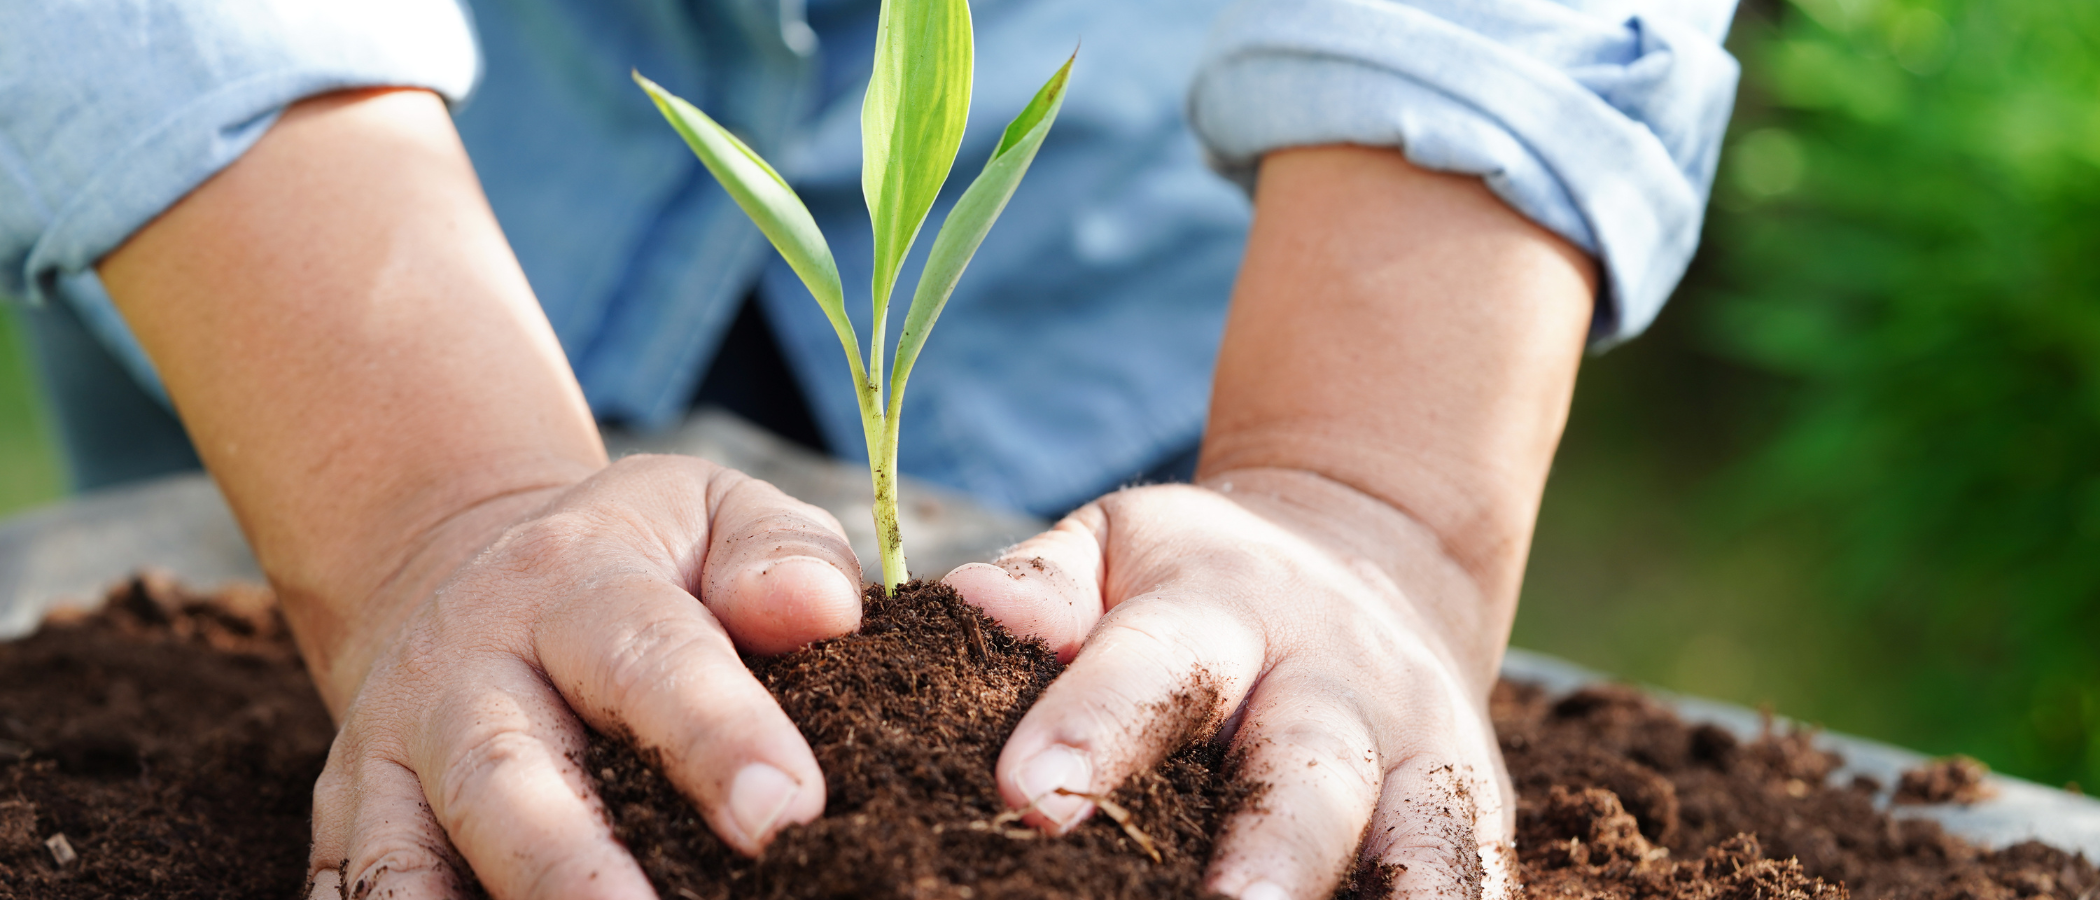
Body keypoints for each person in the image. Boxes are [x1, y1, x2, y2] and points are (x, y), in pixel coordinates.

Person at [0, 0, 1740, 897]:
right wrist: (418, 510)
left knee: (1192, 679)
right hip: (310, 240)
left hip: (1195, 272)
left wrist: (1366, 502)